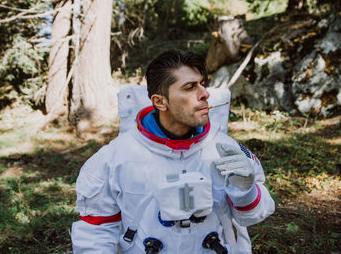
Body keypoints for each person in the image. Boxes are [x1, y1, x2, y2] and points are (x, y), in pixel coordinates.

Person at [71, 49, 275, 253]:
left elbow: (254, 216)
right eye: (190, 87)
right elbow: (96, 231)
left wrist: (246, 192)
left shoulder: (228, 151)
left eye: (202, 84)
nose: (205, 93)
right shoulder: (115, 158)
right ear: (160, 102)